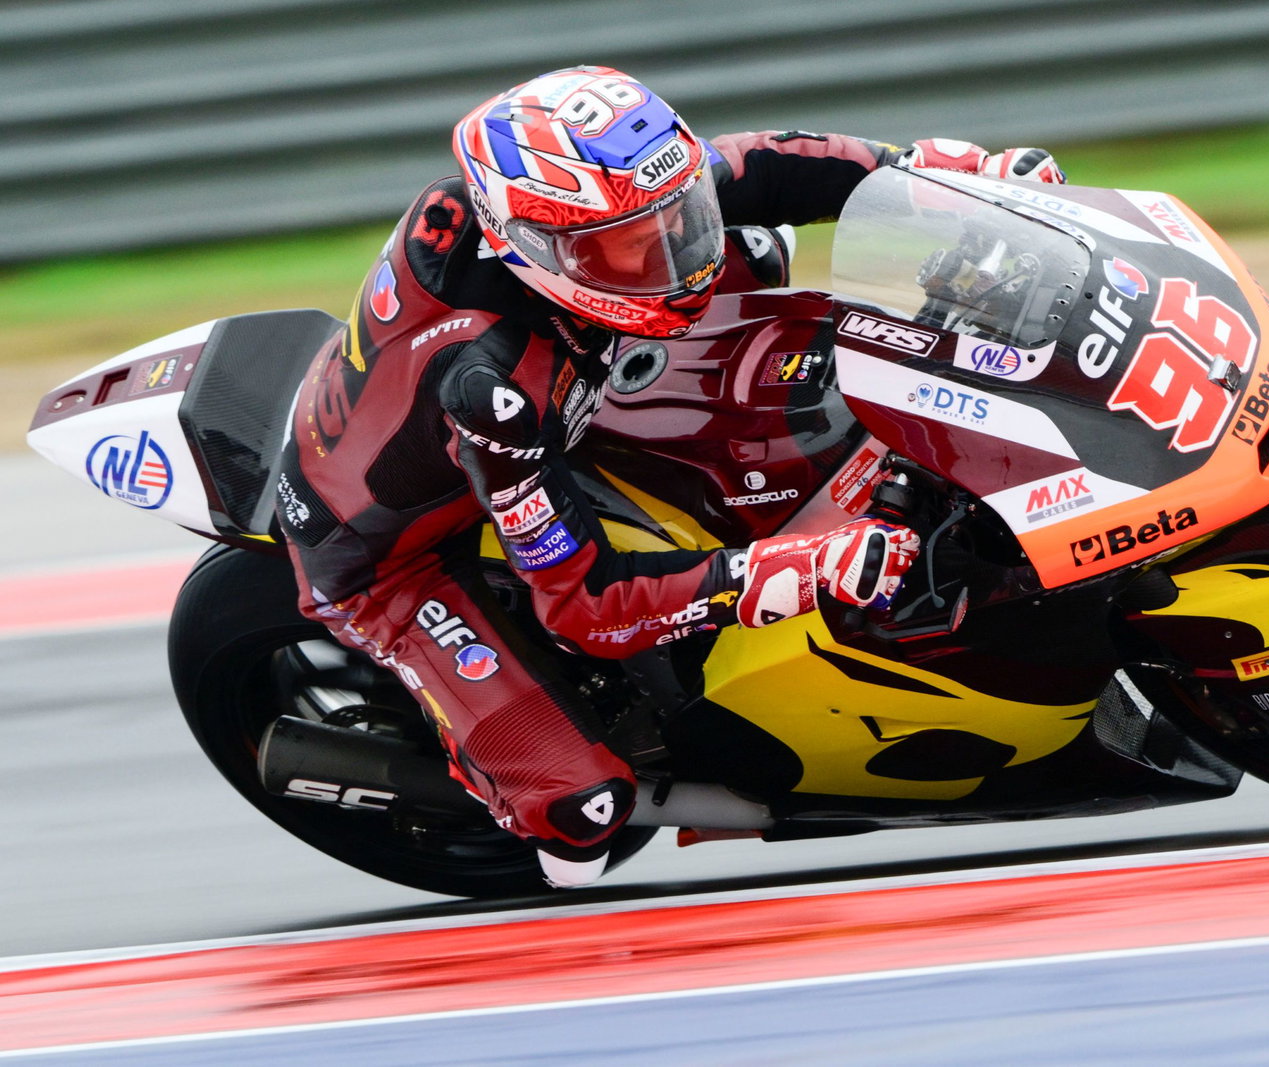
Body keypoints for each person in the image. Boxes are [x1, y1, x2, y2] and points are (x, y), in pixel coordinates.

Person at [274, 65, 1065, 888]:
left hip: (534, 396)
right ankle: (494, 771)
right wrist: (786, 570)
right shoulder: (496, 386)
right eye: (627, 250)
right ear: (536, 248)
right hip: (382, 554)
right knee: (582, 821)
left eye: (674, 221)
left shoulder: (589, 209)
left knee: (755, 258)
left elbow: (753, 165)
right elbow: (585, 605)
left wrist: (940, 174)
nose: (674, 259)